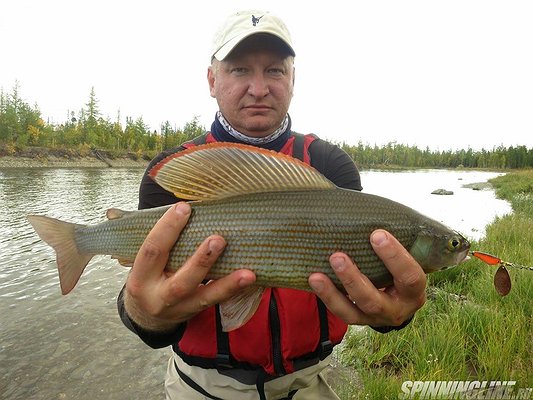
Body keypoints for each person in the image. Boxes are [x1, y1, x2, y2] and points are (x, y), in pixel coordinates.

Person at [117, 9, 426, 400]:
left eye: (275, 71)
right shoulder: (171, 172)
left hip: (309, 383)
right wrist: (144, 312)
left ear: (294, 79)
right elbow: (145, 310)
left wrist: (394, 316)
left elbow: (365, 282)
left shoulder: (332, 167)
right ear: (212, 80)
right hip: (201, 387)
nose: (259, 88)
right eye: (240, 70)